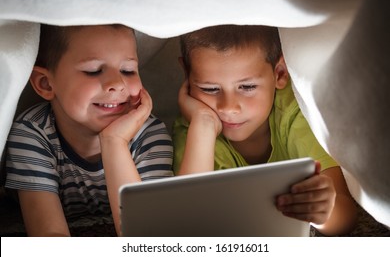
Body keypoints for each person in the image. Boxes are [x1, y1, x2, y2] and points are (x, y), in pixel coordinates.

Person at [172, 25, 357, 236]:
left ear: (279, 74)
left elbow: (346, 217)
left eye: (247, 87)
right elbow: (187, 225)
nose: (228, 107)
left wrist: (325, 213)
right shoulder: (196, 127)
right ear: (186, 74)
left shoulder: (295, 112)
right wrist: (203, 124)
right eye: (210, 89)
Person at [2, 24, 173, 236]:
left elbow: (146, 236)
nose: (117, 84)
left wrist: (114, 141)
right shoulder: (33, 132)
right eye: (93, 71)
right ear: (46, 84)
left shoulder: (150, 133)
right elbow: (49, 238)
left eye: (127, 70)